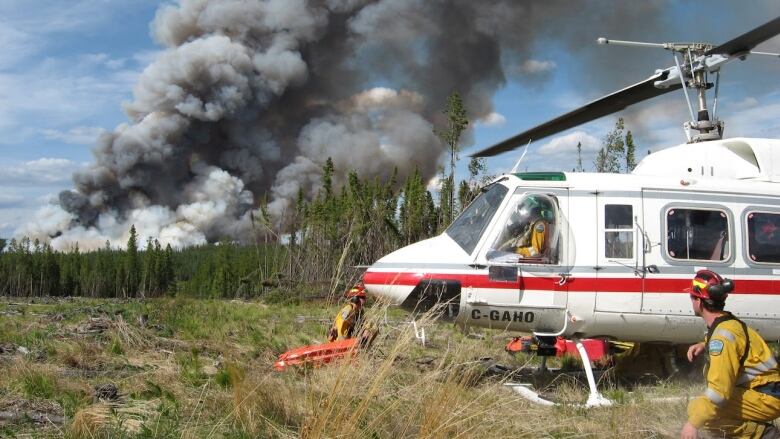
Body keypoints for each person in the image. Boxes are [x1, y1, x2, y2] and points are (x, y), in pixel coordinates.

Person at [681, 269, 780, 439]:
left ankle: (765, 435)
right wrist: (704, 344)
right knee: (701, 408)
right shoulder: (727, 324)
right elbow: (734, 342)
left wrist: (693, 424)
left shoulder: (722, 337)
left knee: (702, 413)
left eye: (692, 297)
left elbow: (720, 392)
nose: (691, 301)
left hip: (767, 397)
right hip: (767, 391)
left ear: (699, 301)